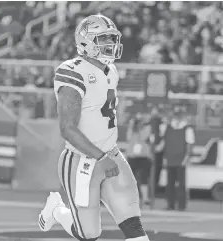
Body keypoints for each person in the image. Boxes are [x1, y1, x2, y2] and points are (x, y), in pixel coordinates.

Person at [38, 15, 151, 241]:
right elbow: (67, 128)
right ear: (86, 42)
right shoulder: (72, 70)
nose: (110, 44)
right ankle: (57, 211)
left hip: (112, 154)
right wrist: (100, 157)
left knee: (133, 224)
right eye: (103, 39)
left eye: (112, 38)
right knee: (88, 234)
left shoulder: (112, 71)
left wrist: (107, 155)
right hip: (82, 161)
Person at [163, 105, 195, 211]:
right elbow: (165, 143)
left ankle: (181, 206)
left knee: (181, 184)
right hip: (170, 159)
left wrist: (186, 159)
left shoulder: (187, 129)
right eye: (176, 115)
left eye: (179, 115)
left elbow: (190, 145)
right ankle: (170, 205)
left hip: (181, 160)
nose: (177, 117)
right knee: (170, 184)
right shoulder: (168, 128)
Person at [126, 113, 153, 207]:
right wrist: (131, 125)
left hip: (144, 156)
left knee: (143, 178)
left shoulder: (147, 128)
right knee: (130, 178)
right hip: (133, 156)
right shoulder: (132, 130)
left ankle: (145, 198)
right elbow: (128, 137)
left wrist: (141, 125)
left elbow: (144, 137)